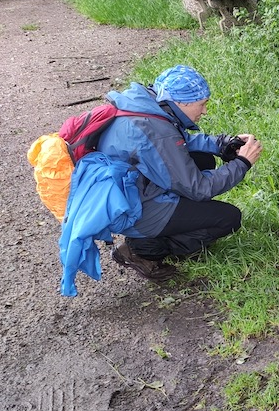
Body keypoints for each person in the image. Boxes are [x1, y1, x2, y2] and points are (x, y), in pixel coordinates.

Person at [97, 64, 262, 281]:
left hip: (129, 192)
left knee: (204, 159)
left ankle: (161, 228)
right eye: (202, 104)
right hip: (135, 211)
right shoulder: (157, 131)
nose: (204, 111)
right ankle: (142, 249)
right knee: (228, 218)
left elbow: (179, 142)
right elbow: (199, 188)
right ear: (181, 102)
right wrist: (242, 163)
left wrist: (222, 144)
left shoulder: (143, 106)